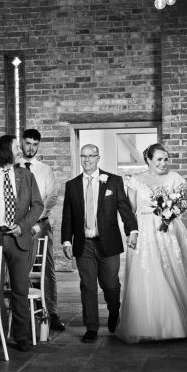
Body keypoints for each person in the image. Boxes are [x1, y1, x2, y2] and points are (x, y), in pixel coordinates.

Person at [116, 143, 187, 343]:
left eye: (165, 159)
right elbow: (130, 210)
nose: (163, 163)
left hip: (168, 230)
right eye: (158, 159)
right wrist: (131, 233)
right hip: (144, 231)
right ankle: (152, 323)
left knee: (174, 271)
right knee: (148, 273)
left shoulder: (174, 178)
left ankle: (179, 320)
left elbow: (181, 204)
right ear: (148, 159)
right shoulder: (135, 181)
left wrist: (173, 210)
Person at [61, 144, 138, 343]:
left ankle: (114, 310)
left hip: (109, 243)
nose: (86, 160)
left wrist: (133, 231)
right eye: (83, 156)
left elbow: (125, 209)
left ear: (98, 158)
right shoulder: (72, 185)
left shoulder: (113, 181)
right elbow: (67, 216)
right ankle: (92, 328)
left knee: (110, 285)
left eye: (91, 156)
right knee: (88, 286)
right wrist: (66, 241)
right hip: (84, 244)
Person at [0, 135, 43, 352]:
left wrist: (23, 226)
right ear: (5, 150)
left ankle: (22, 336)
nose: (21, 150)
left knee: (20, 288)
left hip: (18, 237)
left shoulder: (26, 175)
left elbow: (38, 206)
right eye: (17, 147)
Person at [19, 129, 64, 331]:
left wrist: (34, 219)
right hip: (17, 225)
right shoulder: (12, 167)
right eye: (27, 143)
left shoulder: (45, 170)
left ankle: (51, 312)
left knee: (46, 268)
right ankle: (23, 312)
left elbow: (51, 197)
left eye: (35, 144)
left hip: (40, 223)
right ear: (21, 142)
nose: (30, 147)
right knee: (19, 268)